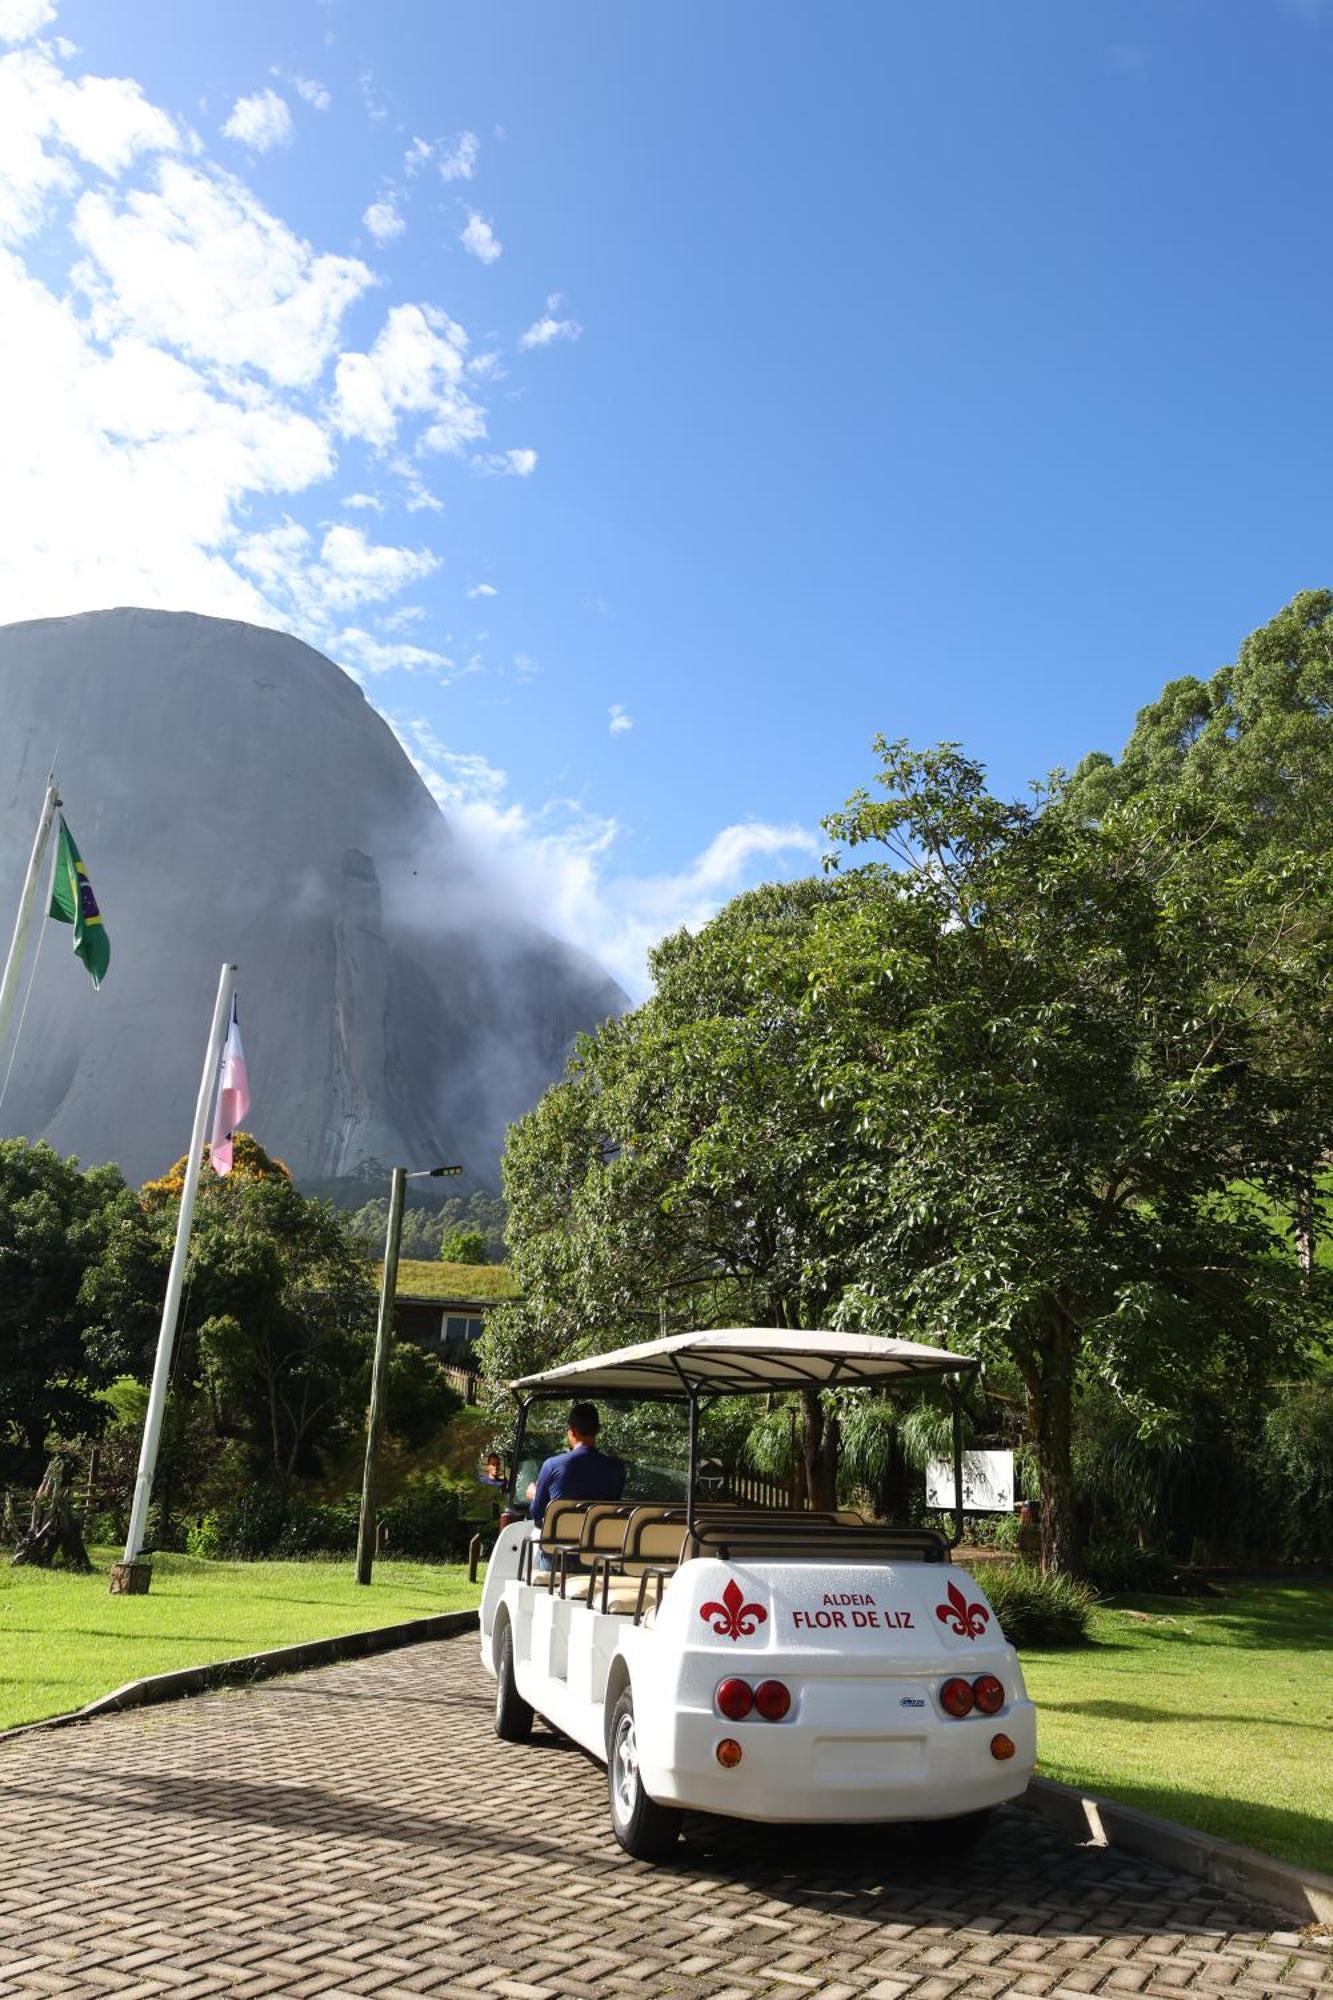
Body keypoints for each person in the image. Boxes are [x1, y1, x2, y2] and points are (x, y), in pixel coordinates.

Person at [526, 1402, 625, 1537]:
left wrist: (535, 1494)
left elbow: (537, 1514)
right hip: (600, 1551)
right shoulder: (617, 1468)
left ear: (572, 1431)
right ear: (598, 1429)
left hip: (559, 1552)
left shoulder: (552, 1465)